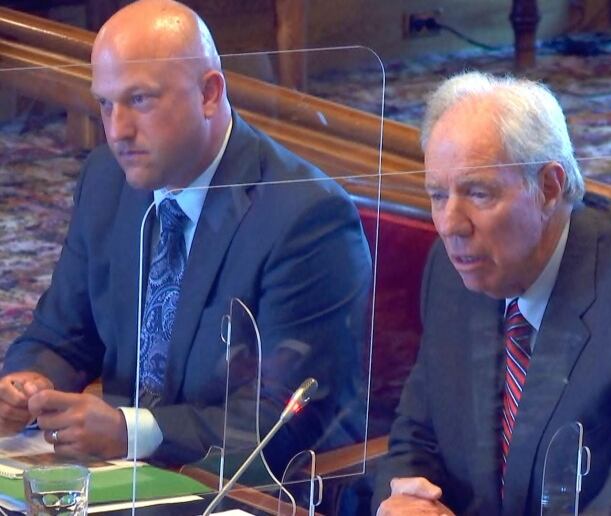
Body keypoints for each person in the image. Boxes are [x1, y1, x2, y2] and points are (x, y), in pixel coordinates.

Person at [0, 0, 371, 472]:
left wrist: (129, 432)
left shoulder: (305, 218)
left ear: (209, 93)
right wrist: (28, 382)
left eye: (140, 100)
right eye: (105, 104)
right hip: (118, 477)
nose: (117, 131)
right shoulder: (106, 179)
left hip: (236, 488)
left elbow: (282, 425)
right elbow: (61, 334)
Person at [372, 72, 611, 515]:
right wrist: (404, 498)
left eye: (477, 193)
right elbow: (418, 433)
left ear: (549, 187)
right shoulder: (456, 271)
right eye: (437, 195)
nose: (449, 225)